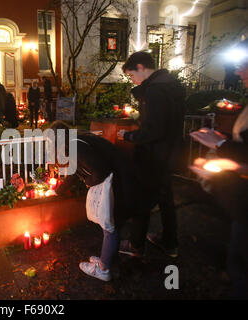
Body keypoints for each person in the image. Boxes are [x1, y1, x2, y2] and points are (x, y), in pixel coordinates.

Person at [53, 121, 150, 281]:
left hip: (118, 181)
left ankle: (103, 269)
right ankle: (107, 258)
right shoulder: (77, 141)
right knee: (113, 223)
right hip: (121, 176)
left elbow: (99, 171)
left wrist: (89, 184)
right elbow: (76, 170)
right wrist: (59, 190)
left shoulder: (76, 147)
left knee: (109, 225)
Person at [190, 39, 248, 299]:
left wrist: (222, 145)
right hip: (240, 205)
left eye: (244, 66)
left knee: (240, 262)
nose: (238, 72)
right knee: (236, 256)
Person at [117, 51, 186, 258]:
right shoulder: (171, 85)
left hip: (153, 156)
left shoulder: (155, 91)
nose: (133, 80)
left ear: (140, 67)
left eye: (131, 75)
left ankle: (136, 245)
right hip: (170, 153)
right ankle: (170, 243)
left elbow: (154, 130)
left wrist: (129, 136)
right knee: (165, 199)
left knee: (142, 199)